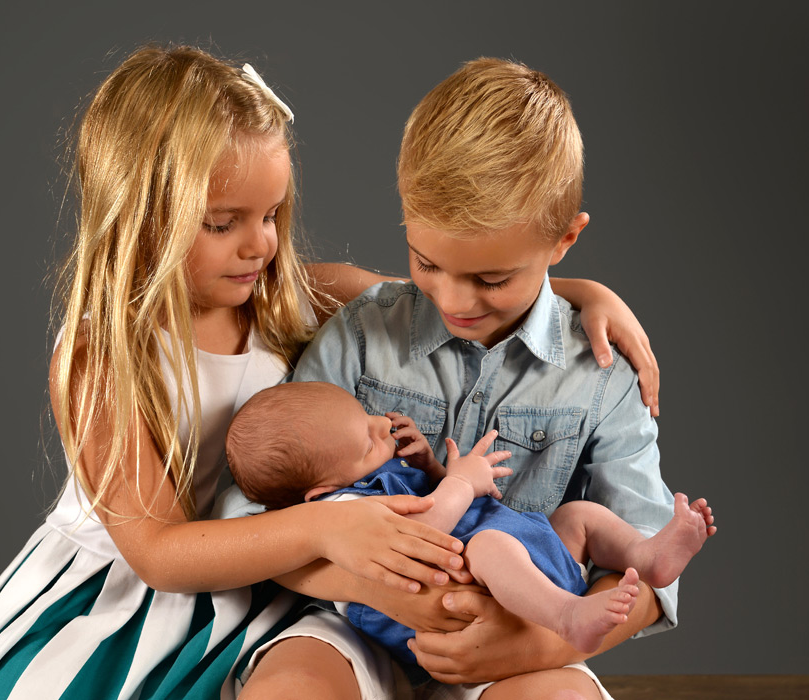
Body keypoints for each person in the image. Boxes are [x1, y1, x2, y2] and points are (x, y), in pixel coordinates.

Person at [0, 45, 661, 700]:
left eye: (273, 214)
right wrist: (327, 526)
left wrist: (578, 294)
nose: (260, 245)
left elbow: (448, 293)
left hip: (256, 587)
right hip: (141, 588)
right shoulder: (103, 353)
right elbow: (157, 551)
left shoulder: (287, 291)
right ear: (142, 214)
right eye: (224, 223)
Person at [239, 58, 682, 700]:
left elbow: (647, 566)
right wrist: (359, 583)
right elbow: (255, 519)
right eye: (427, 262)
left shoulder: (601, 372)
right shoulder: (365, 334)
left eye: (491, 279)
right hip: (355, 628)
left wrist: (536, 643)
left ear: (563, 239)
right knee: (293, 687)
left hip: (518, 633)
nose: (454, 300)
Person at [227, 381, 714, 666]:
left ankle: (646, 555)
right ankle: (567, 616)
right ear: (321, 491)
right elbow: (424, 536)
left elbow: (430, 499)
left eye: (367, 415)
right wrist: (459, 484)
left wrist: (432, 470)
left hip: (519, 559)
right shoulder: (342, 512)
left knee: (578, 516)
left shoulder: (371, 476)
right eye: (366, 441)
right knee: (488, 546)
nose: (382, 426)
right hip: (465, 597)